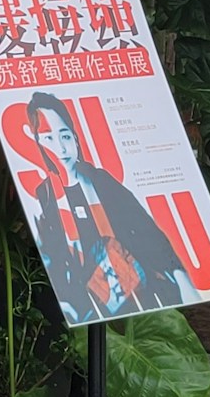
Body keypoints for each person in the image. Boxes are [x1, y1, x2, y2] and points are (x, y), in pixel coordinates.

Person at [23, 92, 190, 322]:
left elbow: (146, 229)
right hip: (93, 306)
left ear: (75, 137)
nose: (60, 147)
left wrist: (178, 274)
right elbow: (55, 256)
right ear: (37, 142)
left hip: (144, 292)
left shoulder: (100, 180)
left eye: (65, 136)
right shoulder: (45, 197)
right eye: (48, 138)